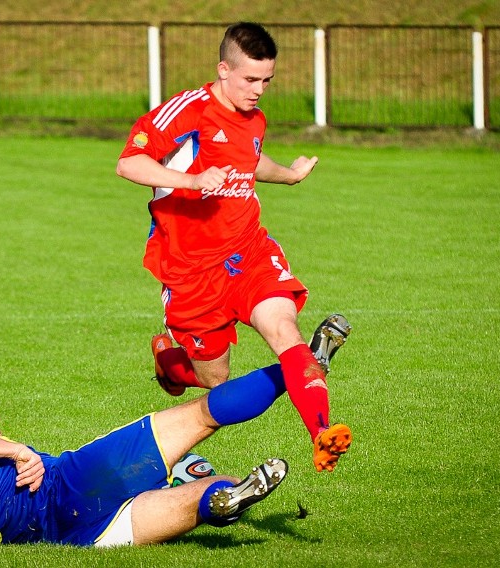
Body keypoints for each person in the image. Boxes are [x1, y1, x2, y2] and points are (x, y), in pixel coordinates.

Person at [116, 22, 352, 472]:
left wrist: (290, 175)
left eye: (267, 80)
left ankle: (321, 432)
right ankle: (171, 363)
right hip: (190, 269)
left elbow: (250, 158)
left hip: (248, 251)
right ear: (224, 69)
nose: (259, 90)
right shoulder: (188, 111)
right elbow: (129, 163)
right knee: (214, 378)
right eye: (250, 79)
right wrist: (191, 180)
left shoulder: (254, 117)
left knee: (284, 330)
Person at [0, 364, 323, 547]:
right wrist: (19, 451)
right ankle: (298, 366)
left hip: (79, 539)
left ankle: (223, 497)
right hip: (71, 485)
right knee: (202, 415)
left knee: (195, 502)